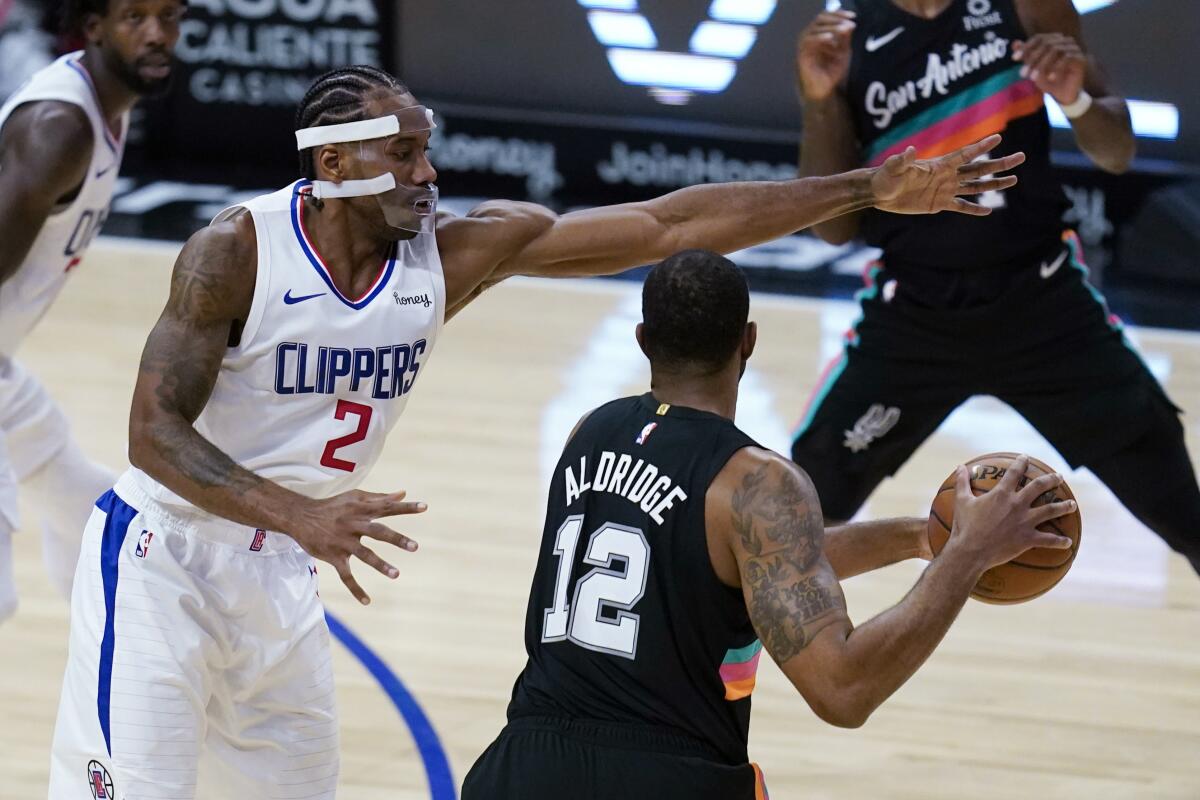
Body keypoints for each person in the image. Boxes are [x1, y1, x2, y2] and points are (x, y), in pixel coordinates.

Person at [48, 64, 1023, 799]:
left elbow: (666, 224)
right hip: (163, 559)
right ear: (335, 162)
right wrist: (297, 514)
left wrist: (865, 189)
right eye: (404, 152)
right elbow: (150, 431)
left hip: (286, 571)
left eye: (428, 149)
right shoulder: (236, 251)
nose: (428, 172)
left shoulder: (455, 254)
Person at [462, 250, 1075, 799]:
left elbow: (726, 565)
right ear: (747, 341)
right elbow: (843, 690)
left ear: (645, 339)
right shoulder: (759, 483)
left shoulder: (589, 432)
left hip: (521, 768)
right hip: (667, 775)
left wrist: (923, 537)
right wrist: (965, 557)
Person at [790, 0, 1200, 574]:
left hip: (1044, 307)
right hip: (914, 316)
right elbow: (832, 228)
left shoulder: (1029, 6)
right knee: (798, 514)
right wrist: (820, 98)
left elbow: (1117, 152)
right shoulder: (851, 33)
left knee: (1184, 511)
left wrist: (1075, 97)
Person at [0, 0, 183, 623]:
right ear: (93, 26)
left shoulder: (103, 106)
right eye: (135, 17)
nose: (157, 35)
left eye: (169, 16)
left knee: (92, 516)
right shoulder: (61, 127)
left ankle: (115, 684)